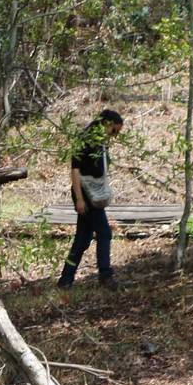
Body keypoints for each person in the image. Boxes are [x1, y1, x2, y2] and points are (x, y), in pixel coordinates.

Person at [57, 109, 123, 289]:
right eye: (114, 131)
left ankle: (65, 280)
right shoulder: (86, 139)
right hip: (85, 195)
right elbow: (75, 170)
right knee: (105, 233)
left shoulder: (101, 142)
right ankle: (105, 275)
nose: (114, 135)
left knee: (82, 240)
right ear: (107, 123)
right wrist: (79, 199)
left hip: (92, 194)